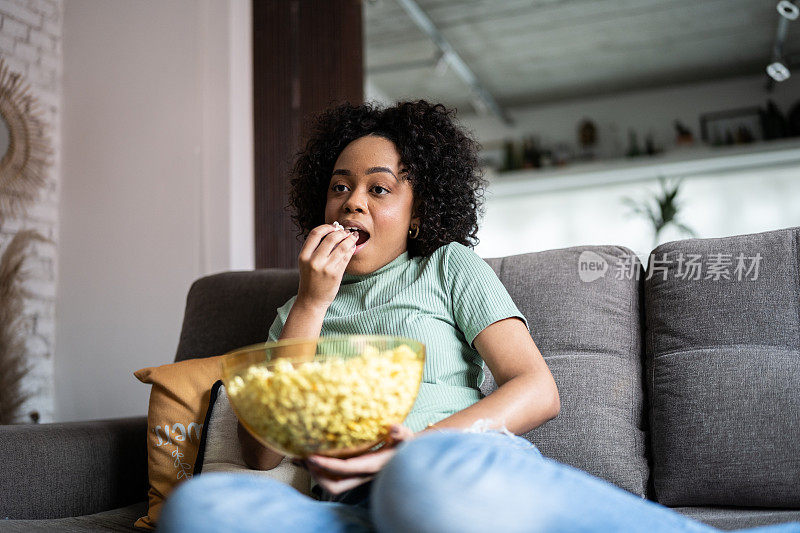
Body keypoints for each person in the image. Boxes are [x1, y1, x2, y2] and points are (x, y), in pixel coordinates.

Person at [158, 100, 799, 533]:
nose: (352, 201)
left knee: (420, 478)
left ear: (418, 209)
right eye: (340, 185)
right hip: (346, 508)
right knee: (203, 506)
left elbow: (537, 389)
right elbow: (265, 456)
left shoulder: (449, 270)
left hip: (447, 470)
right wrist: (310, 305)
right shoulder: (295, 310)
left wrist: (413, 451)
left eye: (379, 188)